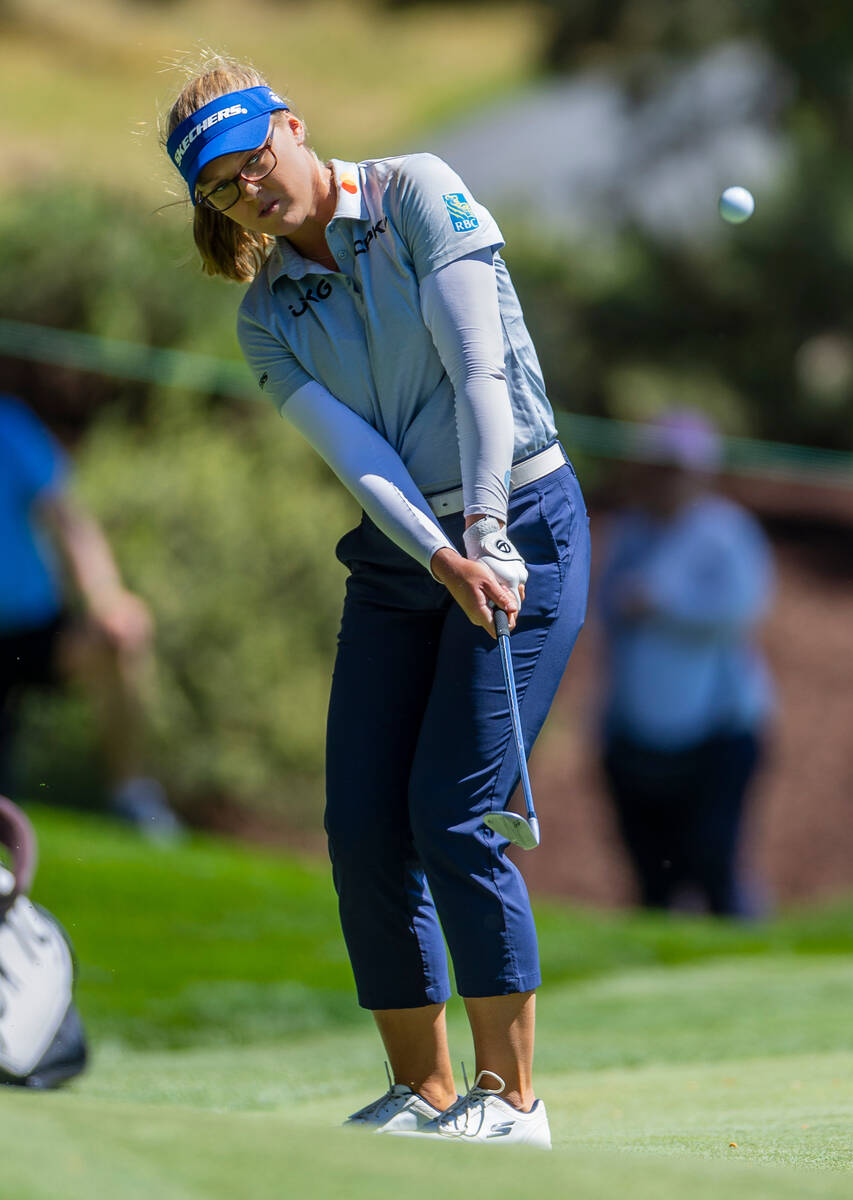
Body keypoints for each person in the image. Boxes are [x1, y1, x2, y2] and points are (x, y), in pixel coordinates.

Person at [162, 56, 590, 1146]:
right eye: (222, 188)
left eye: (254, 161)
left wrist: (485, 533)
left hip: (524, 524)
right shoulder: (266, 320)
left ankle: (513, 1102)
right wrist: (440, 556)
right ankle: (424, 1092)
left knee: (450, 810)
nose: (250, 190)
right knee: (361, 821)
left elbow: (481, 375)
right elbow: (363, 462)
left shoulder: (417, 190)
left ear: (293, 129)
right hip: (407, 554)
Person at [596, 410, 775, 917]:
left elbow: (741, 609)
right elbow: (607, 612)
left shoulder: (727, 532)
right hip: (633, 736)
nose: (668, 481)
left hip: (721, 730)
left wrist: (661, 604)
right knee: (653, 876)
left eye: (679, 470)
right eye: (659, 467)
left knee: (714, 861)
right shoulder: (630, 532)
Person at [0, 393, 180, 839]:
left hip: (31, 632)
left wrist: (107, 596)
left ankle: (132, 795)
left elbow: (70, 522)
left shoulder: (10, 426)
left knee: (114, 640)